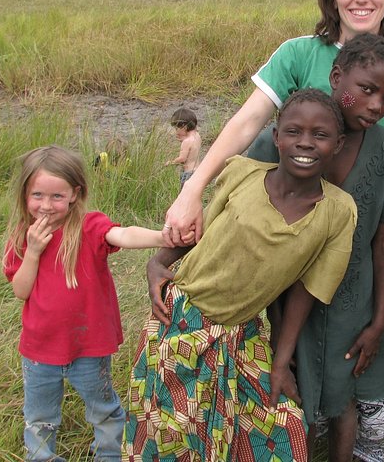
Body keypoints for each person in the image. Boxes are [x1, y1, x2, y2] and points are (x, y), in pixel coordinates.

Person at [158, 0, 384, 460]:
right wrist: (193, 191)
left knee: (352, 374)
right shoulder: (299, 53)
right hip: (286, 241)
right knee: (281, 356)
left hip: (365, 240)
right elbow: (249, 129)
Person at [123, 89, 357, 461]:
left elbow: (306, 292)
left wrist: (280, 364)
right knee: (173, 435)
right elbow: (201, 231)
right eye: (294, 131)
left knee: (283, 426)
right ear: (276, 136)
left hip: (242, 333)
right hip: (182, 321)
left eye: (321, 135)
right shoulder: (242, 173)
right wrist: (158, 262)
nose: (306, 143)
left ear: (339, 144)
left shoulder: (339, 211)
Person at [246, 33, 384, 461]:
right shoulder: (286, 140)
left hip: (353, 302)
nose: (377, 105)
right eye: (367, 90)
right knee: (288, 396)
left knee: (343, 402)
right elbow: (234, 206)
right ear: (337, 77)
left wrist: (378, 320)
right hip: (280, 296)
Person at [2, 145, 166, 462]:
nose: (46, 206)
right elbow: (20, 290)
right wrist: (33, 251)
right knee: (39, 414)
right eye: (37, 195)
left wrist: (163, 237)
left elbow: (124, 235)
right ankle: (41, 456)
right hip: (39, 347)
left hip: (89, 343)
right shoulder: (23, 235)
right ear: (25, 194)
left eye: (57, 197)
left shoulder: (88, 226)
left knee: (102, 406)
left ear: (75, 193)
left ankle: (108, 453)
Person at [164, 106, 202, 190]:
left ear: (184, 126)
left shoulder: (186, 142)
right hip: (197, 172)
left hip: (188, 173)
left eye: (176, 128)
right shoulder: (197, 136)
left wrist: (171, 162)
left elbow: (182, 159)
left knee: (184, 195)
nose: (176, 131)